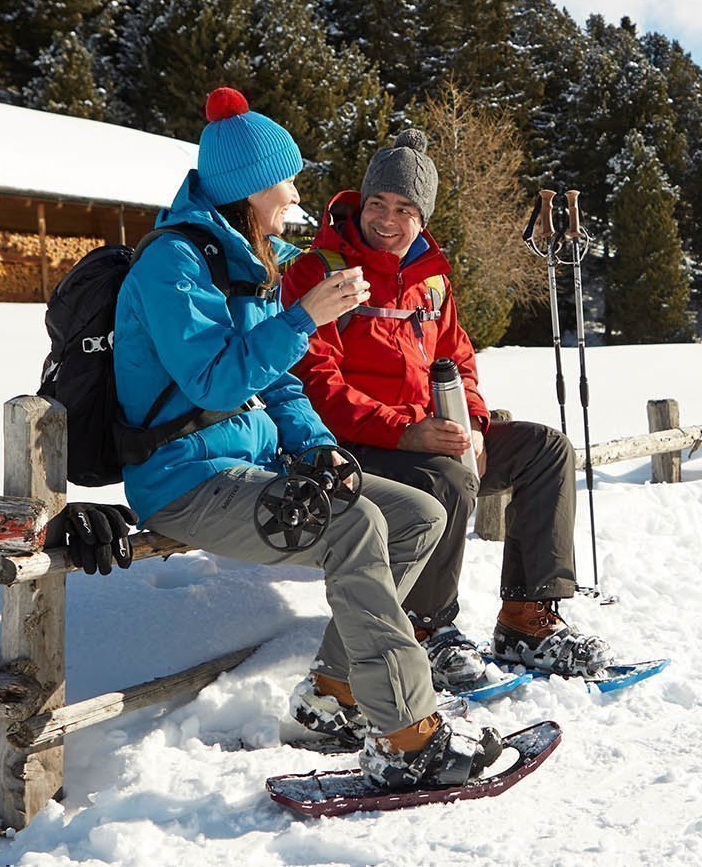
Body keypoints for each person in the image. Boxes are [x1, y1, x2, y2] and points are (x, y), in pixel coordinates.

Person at [112, 88, 501, 790]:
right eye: (286, 178)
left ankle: (336, 694)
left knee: (419, 515)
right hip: (186, 481)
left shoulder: (248, 258)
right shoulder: (175, 266)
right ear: (253, 187)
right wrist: (303, 316)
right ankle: (407, 733)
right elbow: (215, 382)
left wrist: (321, 448)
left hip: (251, 464)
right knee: (353, 526)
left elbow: (283, 383)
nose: (297, 191)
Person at [281, 129, 612, 693]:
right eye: (378, 204)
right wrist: (408, 432)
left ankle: (526, 620)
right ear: (362, 202)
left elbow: (458, 358)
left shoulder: (431, 280)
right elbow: (317, 384)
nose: (387, 219)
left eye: (405, 208)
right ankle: (426, 627)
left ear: (423, 216)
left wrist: (476, 424)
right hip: (348, 445)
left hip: (426, 432)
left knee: (546, 449)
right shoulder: (319, 271)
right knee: (449, 474)